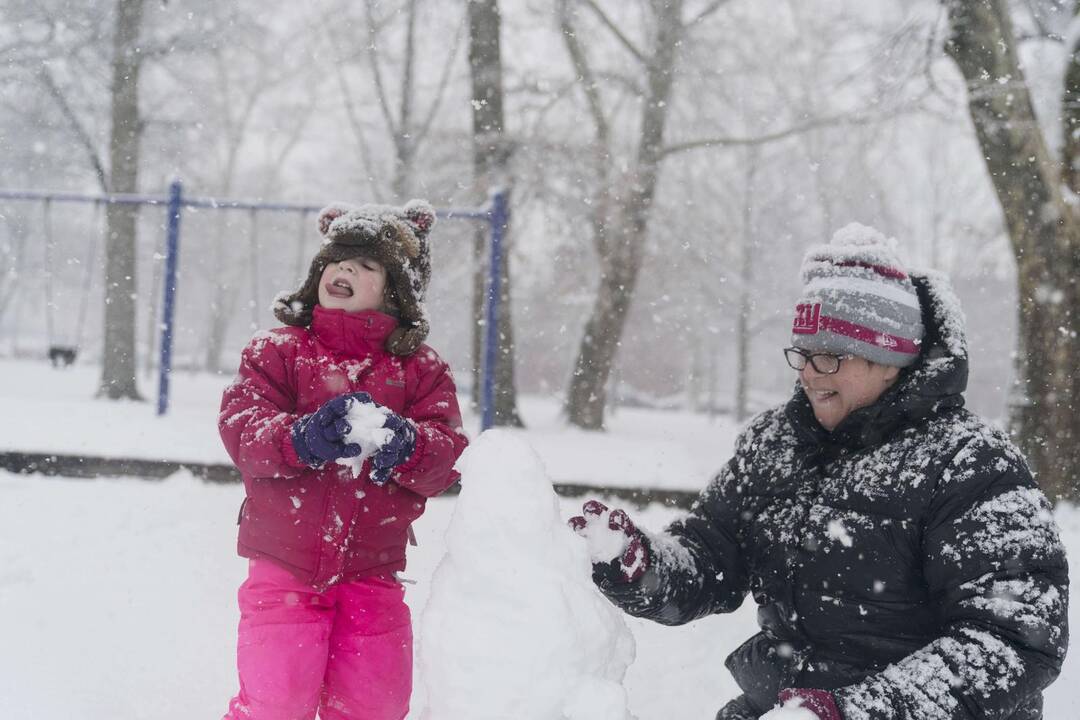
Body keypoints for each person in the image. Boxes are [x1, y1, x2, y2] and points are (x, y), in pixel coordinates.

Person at [571, 224, 1069, 720]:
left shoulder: (973, 466)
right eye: (804, 354)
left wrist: (850, 712)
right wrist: (640, 564)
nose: (809, 373)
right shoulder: (776, 444)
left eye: (831, 356)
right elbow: (710, 559)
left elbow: (1011, 643)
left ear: (890, 360)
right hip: (786, 704)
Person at [218, 199, 468, 720]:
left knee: (372, 705)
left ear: (396, 291)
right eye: (337, 259)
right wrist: (302, 438)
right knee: (276, 701)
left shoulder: (420, 370)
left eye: (368, 264)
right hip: (284, 568)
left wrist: (406, 445)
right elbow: (242, 426)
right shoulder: (279, 351)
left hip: (373, 572)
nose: (345, 269)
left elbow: (446, 455)